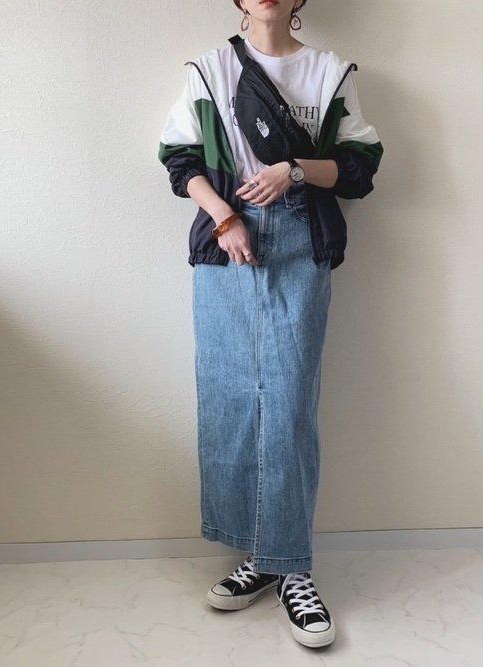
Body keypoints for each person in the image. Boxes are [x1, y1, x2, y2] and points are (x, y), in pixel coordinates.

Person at [158, 0, 383, 649]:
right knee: (229, 397)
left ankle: (293, 567)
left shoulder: (329, 73)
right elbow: (179, 159)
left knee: (288, 403)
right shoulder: (209, 71)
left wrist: (294, 170)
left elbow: (360, 166)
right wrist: (225, 218)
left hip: (301, 236)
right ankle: (263, 555)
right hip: (224, 241)